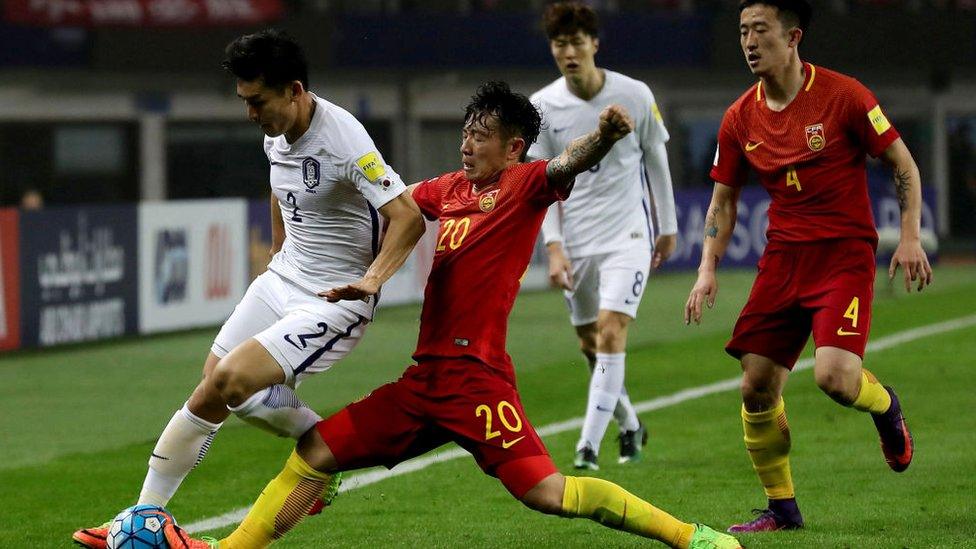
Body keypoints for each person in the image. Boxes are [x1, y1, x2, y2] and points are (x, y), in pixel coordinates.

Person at [166, 82, 741, 549]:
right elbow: (387, 202)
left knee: (545, 491)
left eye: (482, 135)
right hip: (426, 380)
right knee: (317, 451)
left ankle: (692, 537)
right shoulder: (448, 190)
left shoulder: (525, 184)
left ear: (513, 147)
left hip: (477, 380)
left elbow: (567, 162)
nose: (467, 143)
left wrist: (606, 135)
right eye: (466, 131)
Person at [72, 29, 426, 548]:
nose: (250, 113)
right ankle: (140, 515)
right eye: (244, 101)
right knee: (212, 381)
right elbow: (279, 187)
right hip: (284, 278)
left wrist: (371, 281)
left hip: (334, 297)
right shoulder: (275, 135)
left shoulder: (345, 139)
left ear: (294, 90)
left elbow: (408, 217)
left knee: (236, 383)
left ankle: (324, 447)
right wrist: (277, 255)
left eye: (257, 101)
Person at [683, 0, 932, 533]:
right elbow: (722, 204)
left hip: (843, 254)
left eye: (761, 31)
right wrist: (707, 268)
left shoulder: (844, 96)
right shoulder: (738, 117)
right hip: (783, 259)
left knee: (836, 379)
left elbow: (903, 165)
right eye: (743, 31)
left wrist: (909, 236)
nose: (750, 42)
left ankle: (886, 408)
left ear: (793, 37)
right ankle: (782, 511)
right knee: (755, 385)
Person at [528, 1, 678, 470]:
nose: (568, 51)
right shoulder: (542, 106)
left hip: (627, 236)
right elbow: (543, 181)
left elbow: (655, 157)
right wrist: (554, 248)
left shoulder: (634, 94)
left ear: (594, 44)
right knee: (591, 345)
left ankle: (586, 447)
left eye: (576, 42)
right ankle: (631, 424)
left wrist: (667, 225)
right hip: (576, 242)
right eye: (559, 44)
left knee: (613, 333)